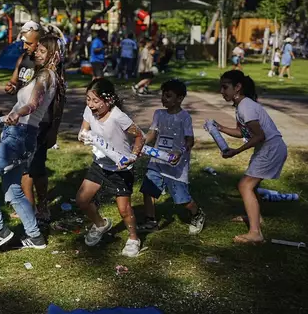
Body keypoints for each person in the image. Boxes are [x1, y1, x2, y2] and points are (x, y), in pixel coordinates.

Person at [0, 34, 64, 255]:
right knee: (14, 190)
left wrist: (17, 114)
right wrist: (5, 118)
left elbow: (32, 104)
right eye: (37, 50)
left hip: (19, 135)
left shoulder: (44, 76)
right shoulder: (47, 76)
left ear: (53, 55)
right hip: (24, 135)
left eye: (42, 51)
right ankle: (35, 236)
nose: (37, 54)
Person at [214, 70, 287, 245]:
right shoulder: (242, 105)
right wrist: (220, 127)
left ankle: (255, 233)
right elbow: (243, 132)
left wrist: (236, 151)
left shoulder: (245, 106)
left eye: (225, 87)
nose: (222, 91)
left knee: (245, 185)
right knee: (250, 186)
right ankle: (256, 217)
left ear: (238, 87)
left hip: (271, 148)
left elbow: (259, 136)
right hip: (269, 147)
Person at [75, 79, 145, 257]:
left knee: (124, 209)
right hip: (100, 164)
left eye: (96, 101)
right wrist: (83, 135)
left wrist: (133, 156)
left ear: (109, 101)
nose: (91, 105)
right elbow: (84, 129)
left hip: (120, 169)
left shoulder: (118, 116)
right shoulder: (89, 111)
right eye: (88, 99)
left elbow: (140, 137)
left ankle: (133, 238)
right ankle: (100, 224)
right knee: (82, 200)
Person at [5, 22, 65, 222]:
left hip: (40, 125)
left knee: (34, 169)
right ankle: (31, 208)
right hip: (24, 123)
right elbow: (16, 84)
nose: (25, 47)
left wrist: (54, 129)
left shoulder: (48, 70)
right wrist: (12, 88)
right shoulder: (24, 60)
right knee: (26, 168)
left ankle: (38, 208)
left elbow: (57, 100)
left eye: (30, 43)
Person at [137, 79, 205, 234]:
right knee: (148, 190)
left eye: (168, 96)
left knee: (182, 199)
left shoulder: (184, 117)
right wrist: (142, 143)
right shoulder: (158, 114)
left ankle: (197, 213)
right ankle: (151, 221)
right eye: (163, 95)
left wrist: (180, 151)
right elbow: (152, 133)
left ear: (179, 99)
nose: (163, 98)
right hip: (157, 161)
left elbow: (190, 140)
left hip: (176, 165)